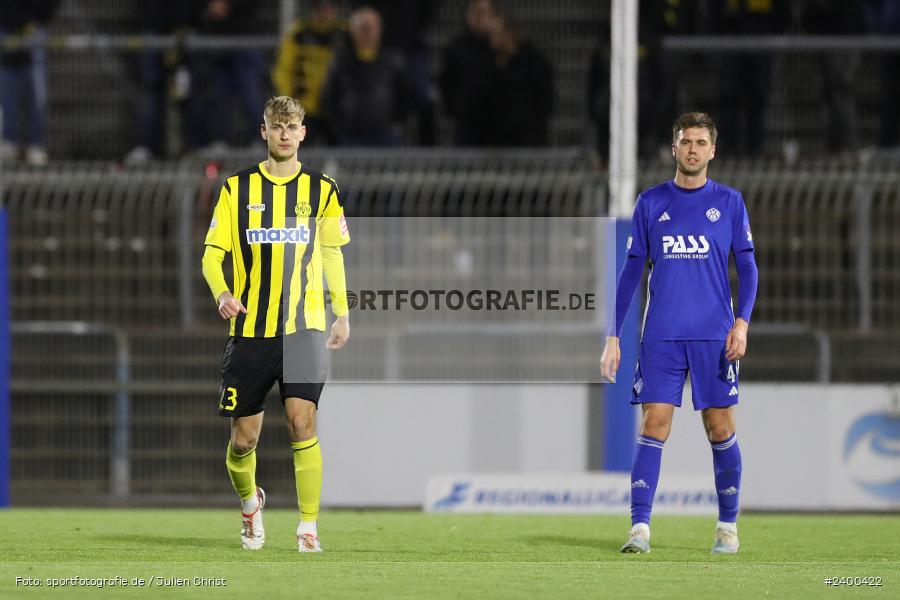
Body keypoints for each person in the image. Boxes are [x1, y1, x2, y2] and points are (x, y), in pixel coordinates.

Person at [601, 112, 759, 554]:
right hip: (662, 335)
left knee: (720, 425)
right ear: (674, 149)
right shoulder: (651, 203)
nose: (693, 149)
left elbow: (747, 268)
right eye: (685, 141)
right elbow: (630, 274)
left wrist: (742, 322)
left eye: (701, 142)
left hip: (715, 335)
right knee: (654, 422)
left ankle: (727, 527)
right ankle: (639, 529)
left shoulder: (729, 203)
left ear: (713, 150)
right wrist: (614, 335)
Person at [201, 96, 351, 553]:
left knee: (302, 422)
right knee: (244, 439)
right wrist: (223, 293)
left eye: (293, 126)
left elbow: (330, 253)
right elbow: (212, 254)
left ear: (304, 132)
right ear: (263, 131)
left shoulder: (323, 190)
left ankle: (308, 527)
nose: (285, 133)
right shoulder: (236, 189)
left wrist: (341, 312)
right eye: (276, 125)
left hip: (304, 327)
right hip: (250, 330)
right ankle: (250, 503)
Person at [321, 6, 413, 146]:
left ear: (380, 30)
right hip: (350, 138)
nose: (368, 32)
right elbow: (330, 97)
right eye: (363, 27)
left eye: (372, 27)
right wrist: (339, 128)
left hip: (386, 136)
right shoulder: (341, 63)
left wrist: (397, 125)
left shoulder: (394, 61)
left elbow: (405, 96)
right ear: (352, 31)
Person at [272, 0, 347, 146]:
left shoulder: (346, 34)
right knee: (300, 155)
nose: (325, 12)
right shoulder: (298, 33)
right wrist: (289, 100)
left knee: (338, 155)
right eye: (321, 7)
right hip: (304, 107)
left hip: (337, 108)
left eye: (329, 7)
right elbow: (283, 70)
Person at [0, 0, 59, 166]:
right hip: (5, 27)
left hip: (33, 28)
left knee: (36, 89)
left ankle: (35, 144)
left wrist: (36, 20)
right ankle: (9, 141)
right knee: (5, 89)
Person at [439, 0, 497, 146]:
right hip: (466, 124)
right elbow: (446, 84)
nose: (480, 18)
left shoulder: (501, 48)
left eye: (484, 13)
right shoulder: (455, 49)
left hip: (498, 125)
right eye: (475, 12)